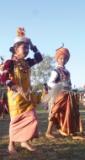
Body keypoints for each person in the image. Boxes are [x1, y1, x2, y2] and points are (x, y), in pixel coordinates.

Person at [0, 27, 43, 153]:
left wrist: (32, 45)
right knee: (15, 121)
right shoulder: (10, 62)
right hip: (15, 97)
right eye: (24, 47)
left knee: (32, 117)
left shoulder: (27, 62)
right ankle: (11, 145)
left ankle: (24, 141)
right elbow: (3, 77)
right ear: (15, 49)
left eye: (27, 48)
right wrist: (16, 88)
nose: (27, 50)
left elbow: (39, 58)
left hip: (27, 96)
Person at [45, 45, 82, 139]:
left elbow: (69, 83)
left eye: (65, 58)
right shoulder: (55, 71)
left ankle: (69, 130)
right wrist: (60, 88)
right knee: (54, 111)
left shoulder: (67, 71)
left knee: (69, 112)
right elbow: (50, 82)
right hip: (58, 95)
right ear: (57, 59)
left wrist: (71, 89)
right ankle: (48, 132)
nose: (63, 60)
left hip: (68, 95)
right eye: (61, 58)